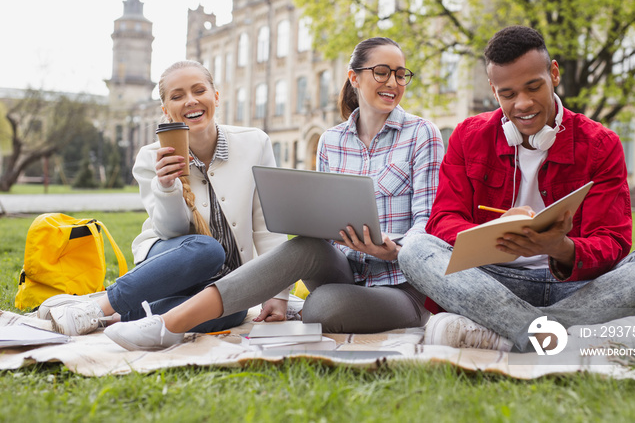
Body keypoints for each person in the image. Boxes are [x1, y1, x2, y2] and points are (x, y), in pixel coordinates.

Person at [102, 36, 445, 351]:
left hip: (400, 285)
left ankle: (161, 320)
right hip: (346, 271)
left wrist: (393, 250)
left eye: (401, 75)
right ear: (354, 78)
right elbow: (326, 220)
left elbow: (426, 223)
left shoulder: (422, 134)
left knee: (320, 307)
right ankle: (167, 325)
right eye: (382, 72)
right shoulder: (331, 140)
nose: (393, 83)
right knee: (306, 244)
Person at [398, 26, 635, 353]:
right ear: (493, 90)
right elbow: (443, 220)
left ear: (553, 74)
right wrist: (493, 233)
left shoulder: (601, 143)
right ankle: (556, 335)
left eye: (533, 87)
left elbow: (613, 242)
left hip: (579, 288)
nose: (522, 104)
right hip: (491, 285)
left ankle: (511, 332)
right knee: (414, 248)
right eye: (508, 94)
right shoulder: (468, 136)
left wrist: (562, 247)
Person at [41, 60, 289, 335]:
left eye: (199, 91)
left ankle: (113, 317)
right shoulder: (151, 157)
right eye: (177, 96)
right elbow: (171, 232)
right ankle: (100, 307)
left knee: (234, 308)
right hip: (174, 259)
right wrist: (167, 186)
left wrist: (278, 293)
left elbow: (267, 224)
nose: (191, 101)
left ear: (215, 96)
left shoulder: (255, 143)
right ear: (165, 109)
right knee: (207, 250)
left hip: (223, 280)